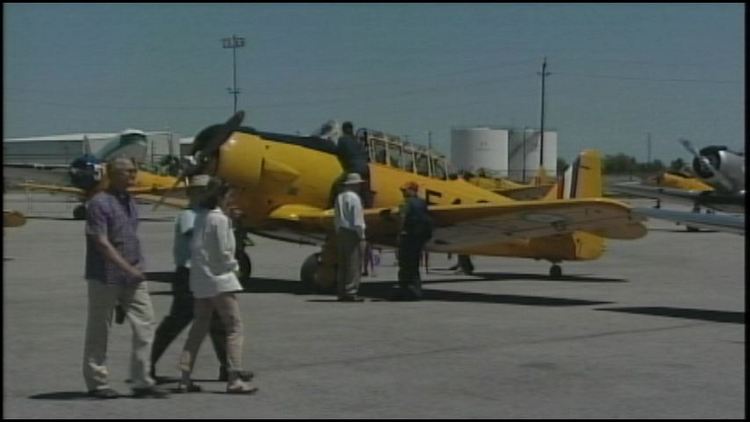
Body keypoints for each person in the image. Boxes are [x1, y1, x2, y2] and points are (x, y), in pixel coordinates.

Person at [150, 175, 253, 383]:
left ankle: (227, 366)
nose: (203, 194)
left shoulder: (207, 214)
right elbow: (202, 239)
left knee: (214, 323)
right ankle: (148, 363)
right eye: (198, 191)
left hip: (201, 273)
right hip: (190, 272)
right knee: (178, 323)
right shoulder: (190, 215)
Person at [82, 157, 169, 399]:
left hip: (133, 274)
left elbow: (130, 235)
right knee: (100, 329)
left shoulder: (129, 200)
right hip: (105, 276)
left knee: (146, 323)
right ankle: (97, 382)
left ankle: (141, 380)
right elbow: (101, 241)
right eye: (129, 172)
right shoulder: (99, 203)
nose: (134, 176)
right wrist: (127, 269)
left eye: (135, 171)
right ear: (114, 174)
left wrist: (136, 268)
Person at [178, 176, 257, 394]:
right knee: (234, 327)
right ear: (221, 196)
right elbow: (223, 252)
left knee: (198, 328)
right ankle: (234, 377)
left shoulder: (201, 217)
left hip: (200, 279)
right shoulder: (220, 220)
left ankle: (185, 376)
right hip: (220, 279)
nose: (231, 200)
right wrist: (235, 267)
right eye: (229, 196)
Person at [394, 181, 433, 301]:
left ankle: (405, 291)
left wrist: (399, 232)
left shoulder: (406, 203)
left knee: (405, 264)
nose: (403, 193)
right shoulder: (422, 203)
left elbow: (402, 217)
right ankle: (416, 291)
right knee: (414, 265)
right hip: (419, 238)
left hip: (408, 237)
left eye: (405, 190)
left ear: (412, 190)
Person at [334, 173, 367, 302]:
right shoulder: (354, 198)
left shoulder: (339, 197)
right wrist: (361, 235)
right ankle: (351, 291)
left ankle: (341, 291)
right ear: (354, 185)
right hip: (352, 232)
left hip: (341, 231)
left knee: (343, 263)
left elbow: (336, 217)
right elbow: (357, 219)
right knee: (354, 263)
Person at [332, 121, 372, 208]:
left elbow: (338, 152)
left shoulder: (342, 140)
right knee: (364, 189)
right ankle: (369, 207)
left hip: (353, 169)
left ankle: (331, 207)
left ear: (344, 130)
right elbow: (365, 155)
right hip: (366, 169)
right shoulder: (358, 141)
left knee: (336, 184)